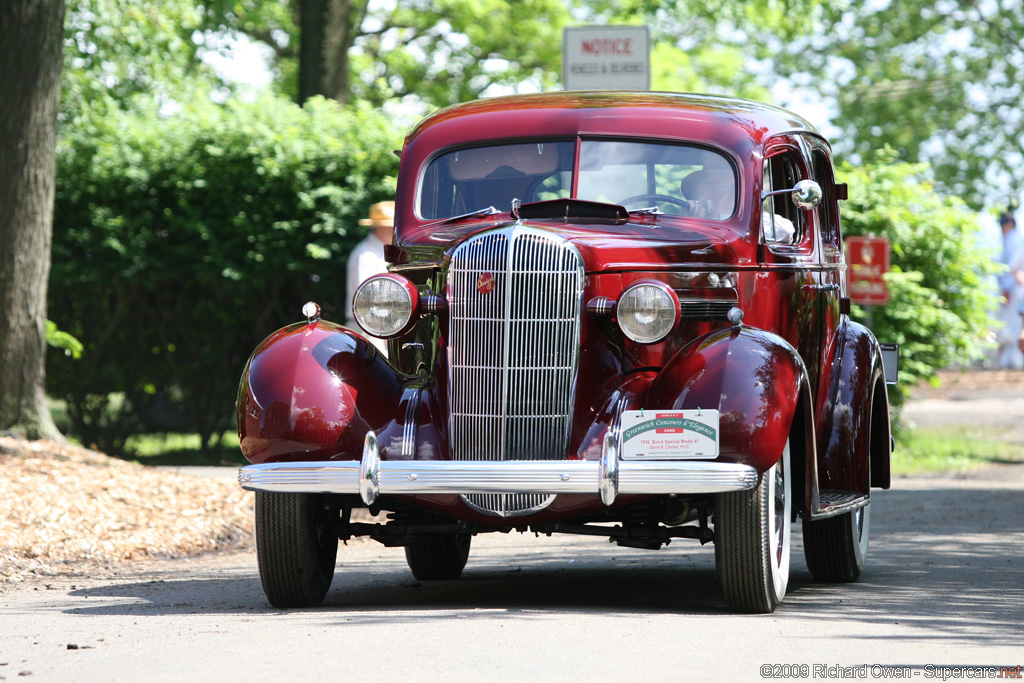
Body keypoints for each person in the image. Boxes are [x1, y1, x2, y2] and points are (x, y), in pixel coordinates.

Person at [346, 201, 395, 355]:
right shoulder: (365, 255)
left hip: (385, 329)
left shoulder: (381, 251)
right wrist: (386, 332)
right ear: (381, 227)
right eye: (391, 225)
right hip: (370, 330)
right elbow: (367, 301)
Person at [995, 211, 1024, 369]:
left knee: (1013, 325)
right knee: (1008, 325)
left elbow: (1012, 266)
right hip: (1011, 285)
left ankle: (1015, 361)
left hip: (1015, 286)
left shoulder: (1015, 239)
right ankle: (1009, 361)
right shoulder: (1009, 239)